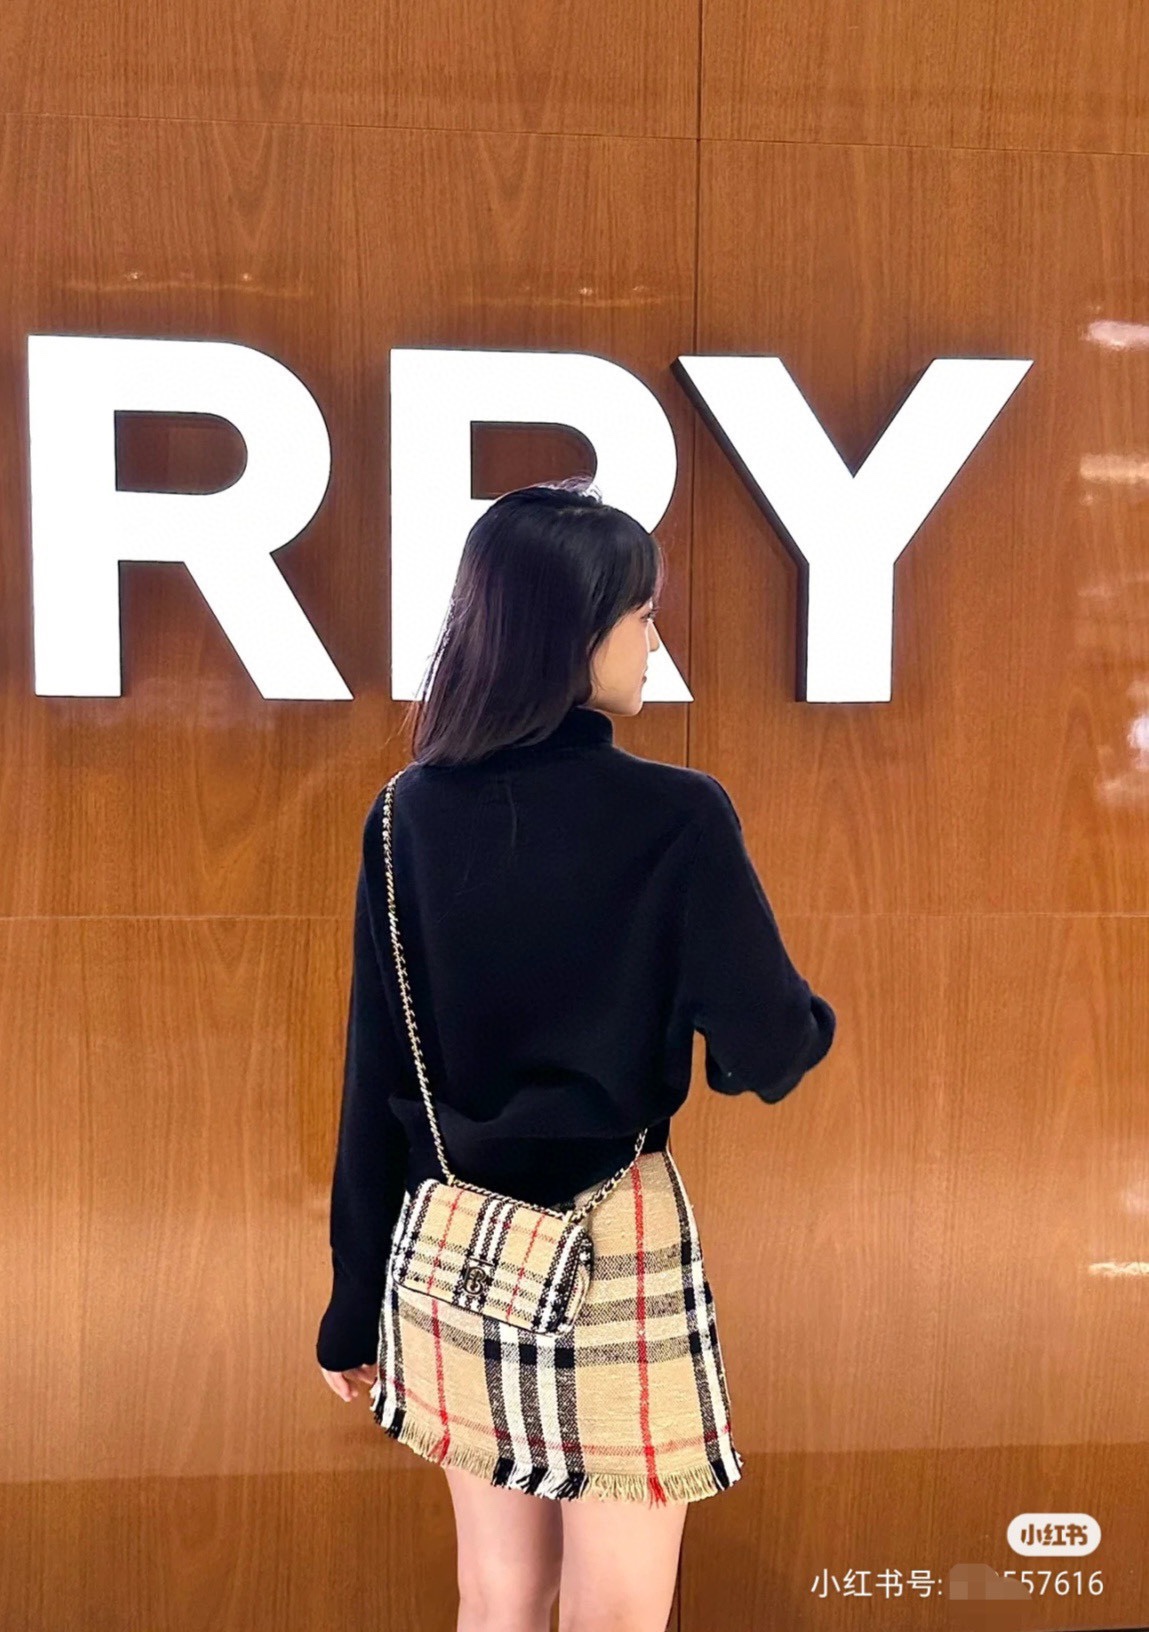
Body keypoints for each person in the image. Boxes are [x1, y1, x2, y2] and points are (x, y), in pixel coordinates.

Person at [316, 478, 836, 1632]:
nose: (654, 643)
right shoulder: (676, 814)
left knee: (497, 1594)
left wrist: (352, 1305)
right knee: (621, 1611)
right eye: (643, 617)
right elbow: (769, 1047)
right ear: (579, 629)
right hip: (616, 1237)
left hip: (456, 1247)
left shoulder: (405, 814)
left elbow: (376, 1077)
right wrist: (795, 1027)